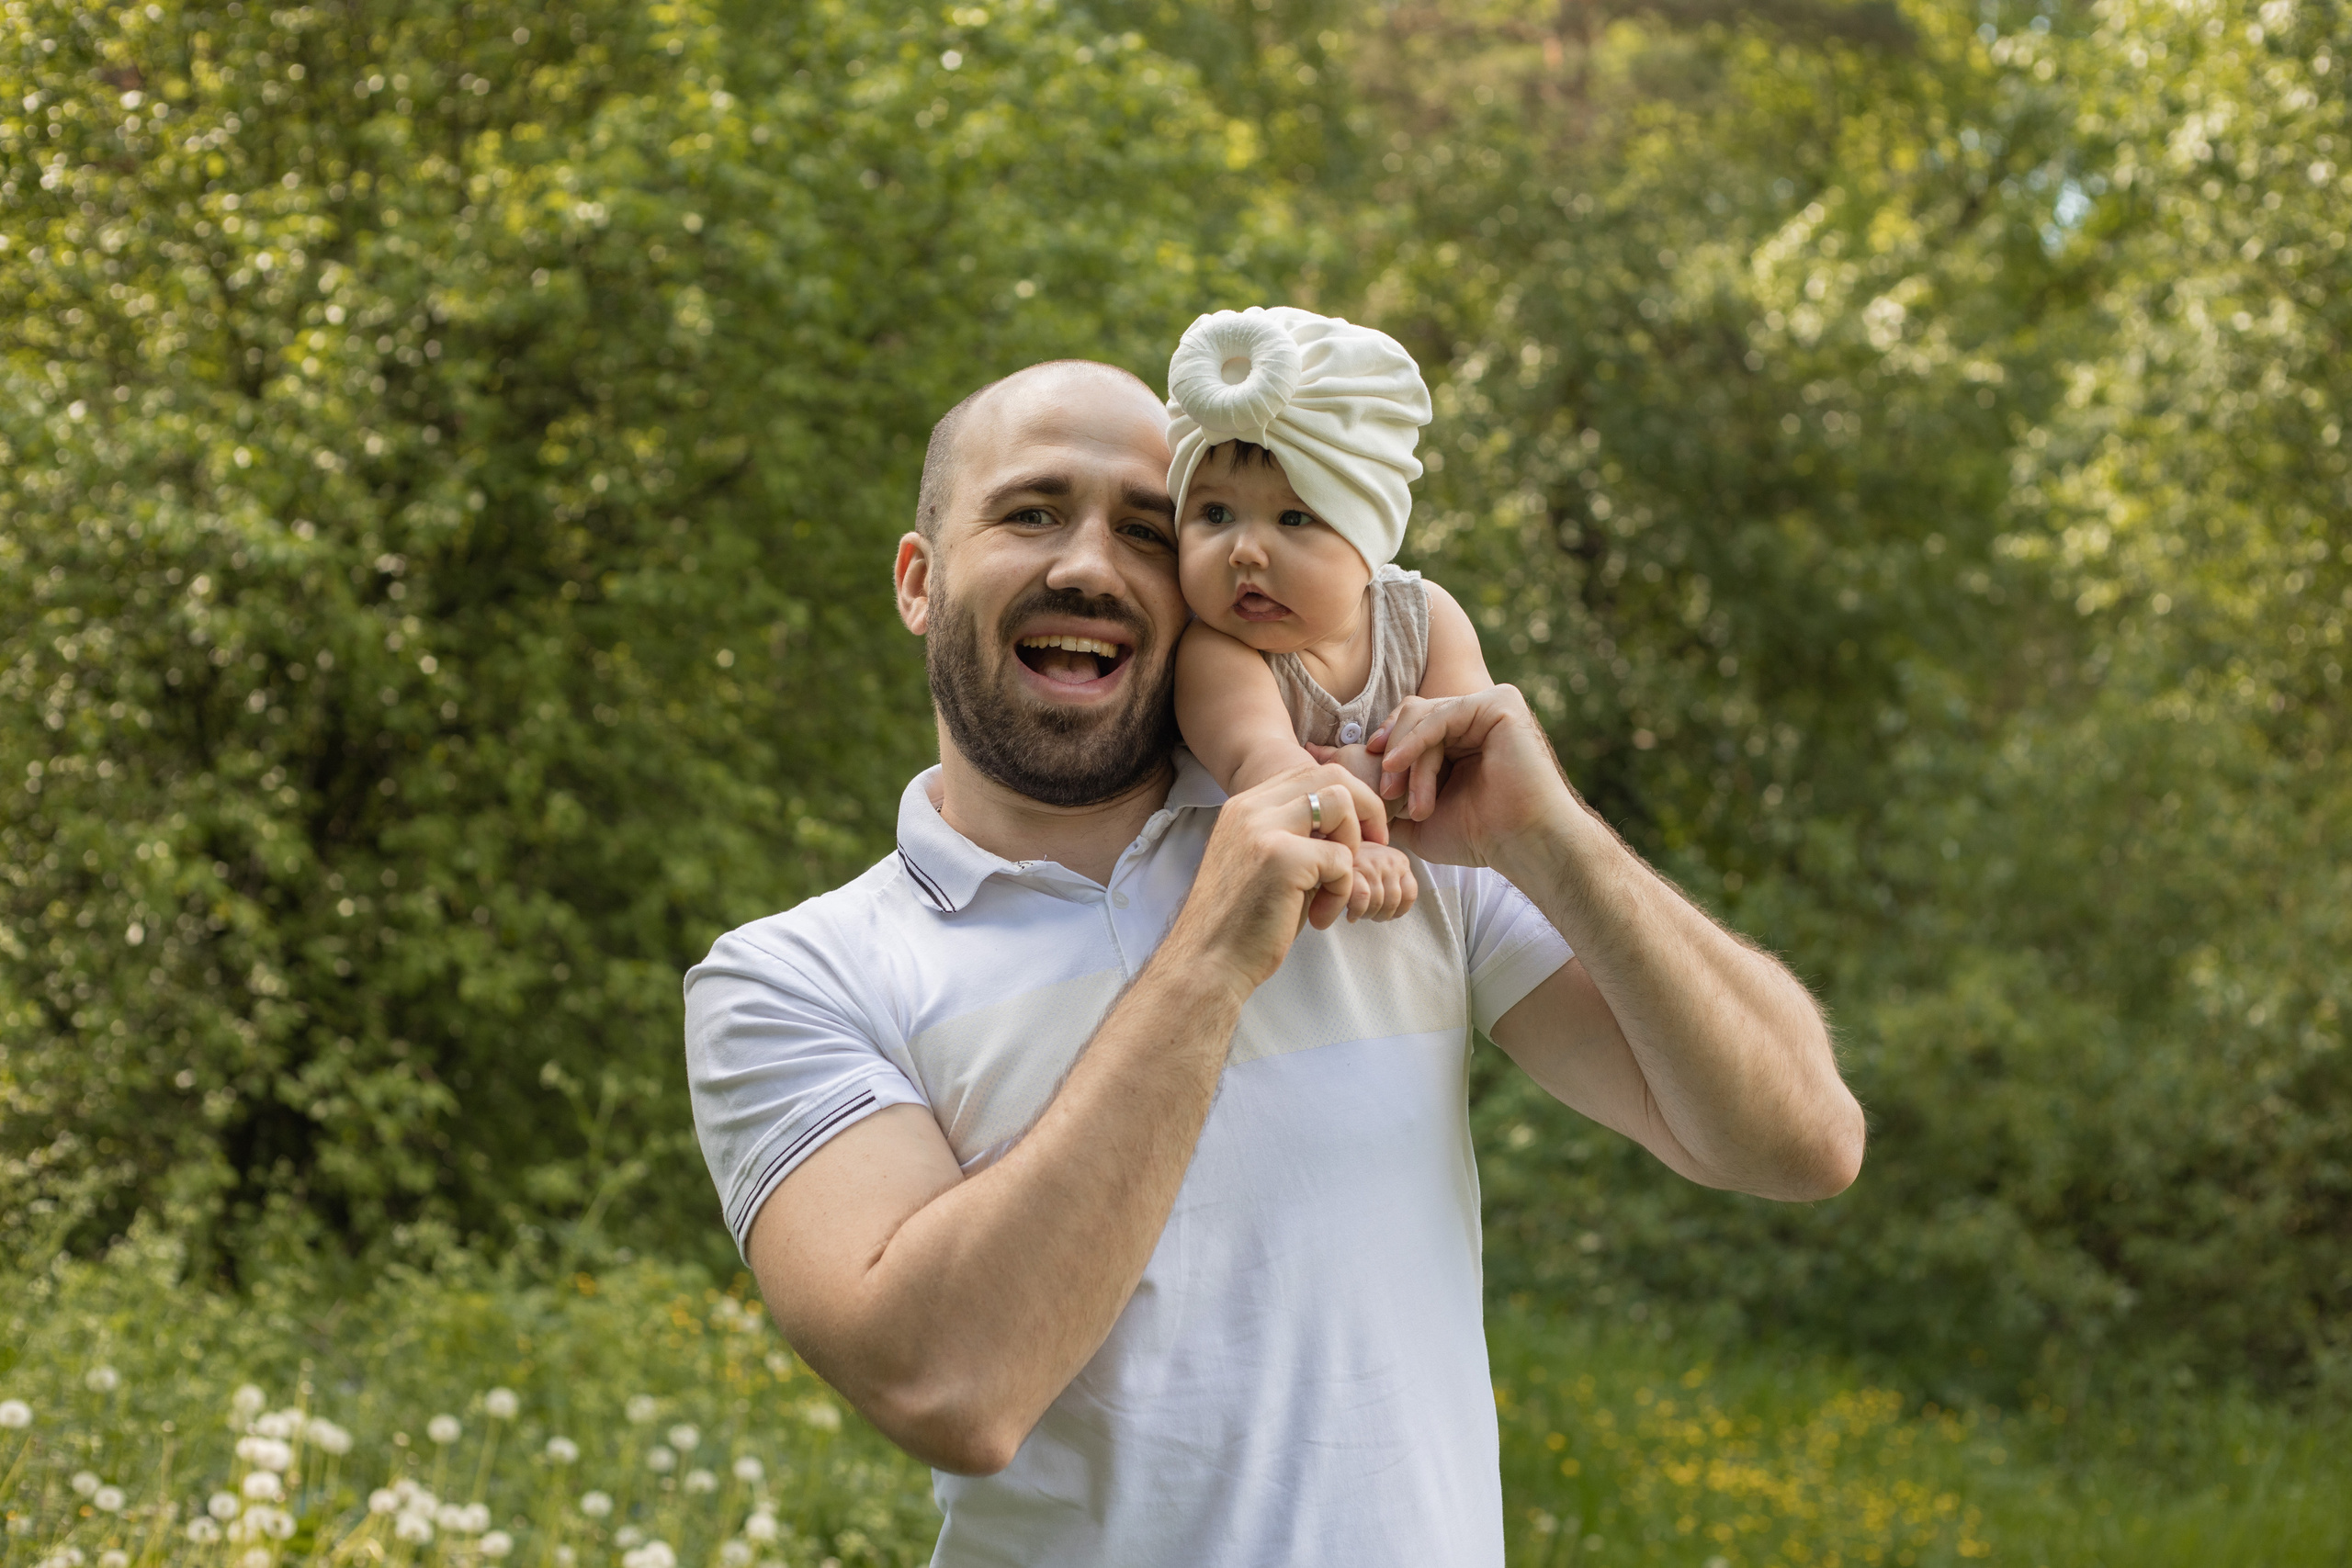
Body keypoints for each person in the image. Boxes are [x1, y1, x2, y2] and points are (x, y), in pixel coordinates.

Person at [683, 359, 1863, 1568]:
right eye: (1032, 512)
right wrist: (1213, 947)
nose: (1088, 564)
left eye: (1150, 528)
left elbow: (1797, 1139)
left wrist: (1545, 834)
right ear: (920, 582)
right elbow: (953, 1387)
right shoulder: (793, 977)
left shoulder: (1388, 847)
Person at [1168, 306, 1485, 925]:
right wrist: (1363, 829)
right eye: (1214, 514)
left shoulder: (1424, 620)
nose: (1245, 550)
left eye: (1292, 518)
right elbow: (1267, 768)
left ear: (1367, 539)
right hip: (1251, 920)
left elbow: (1475, 751)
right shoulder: (1218, 651)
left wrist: (1421, 749)